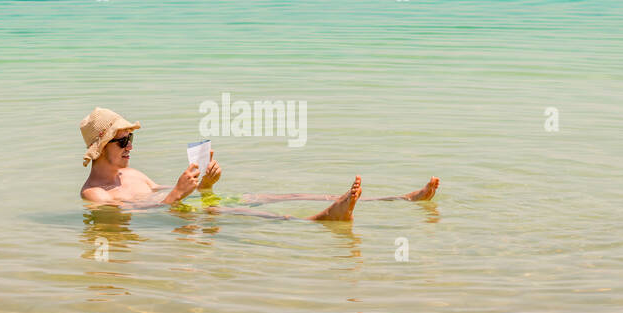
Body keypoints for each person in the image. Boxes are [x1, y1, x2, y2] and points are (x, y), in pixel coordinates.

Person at [78, 107, 438, 222]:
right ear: (101, 148)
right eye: (122, 141)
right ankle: (321, 220)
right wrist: (179, 193)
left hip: (193, 205)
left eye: (131, 139)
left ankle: (397, 200)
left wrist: (204, 185)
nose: (130, 146)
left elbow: (168, 195)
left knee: (274, 195)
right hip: (185, 218)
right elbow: (149, 214)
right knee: (255, 214)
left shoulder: (132, 173)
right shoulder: (94, 194)